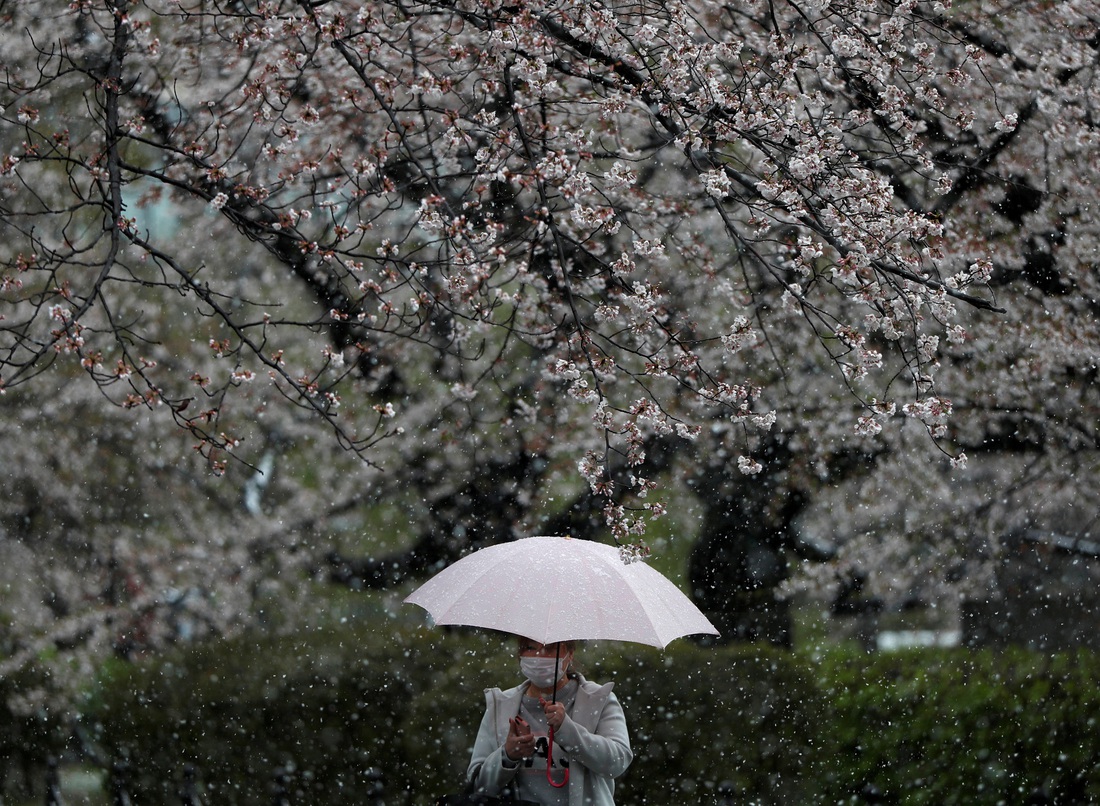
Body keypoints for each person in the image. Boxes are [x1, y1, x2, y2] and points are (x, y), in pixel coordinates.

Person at [467, 638, 632, 806]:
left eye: (552, 648)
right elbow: (478, 786)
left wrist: (566, 729)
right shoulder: (500, 706)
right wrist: (507, 755)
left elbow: (617, 761)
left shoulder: (599, 699)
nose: (540, 655)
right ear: (520, 654)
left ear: (570, 654)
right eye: (530, 647)